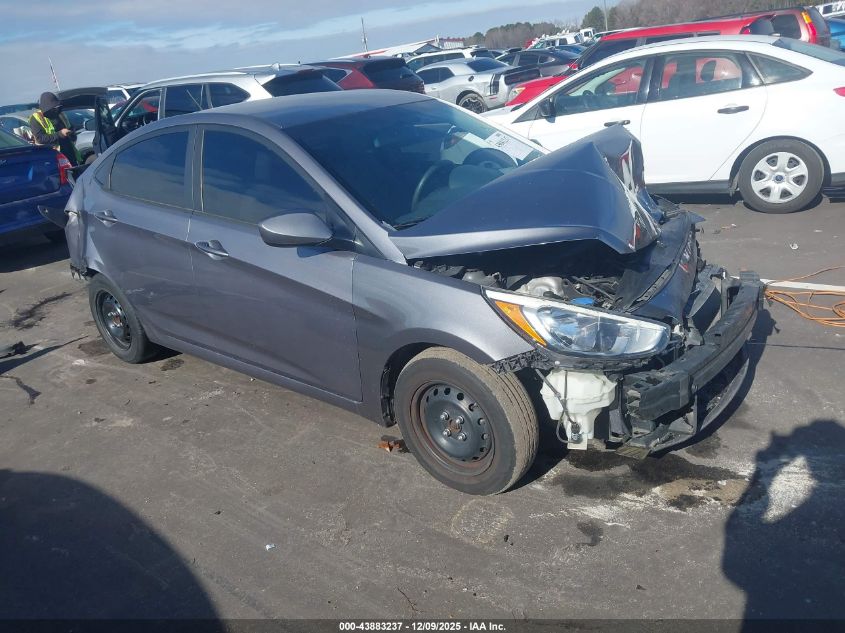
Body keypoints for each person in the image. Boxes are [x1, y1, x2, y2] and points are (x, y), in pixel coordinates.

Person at [29, 92, 80, 166]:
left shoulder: (60, 114)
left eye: (57, 107)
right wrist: (60, 134)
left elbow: (69, 128)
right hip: (53, 157)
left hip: (70, 153)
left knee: (76, 174)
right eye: (54, 107)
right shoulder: (36, 118)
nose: (57, 109)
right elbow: (40, 139)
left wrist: (72, 133)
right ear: (47, 107)